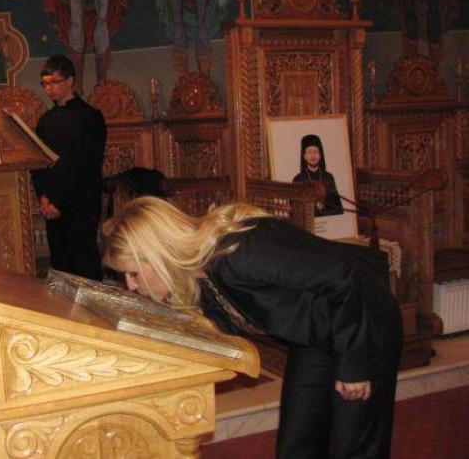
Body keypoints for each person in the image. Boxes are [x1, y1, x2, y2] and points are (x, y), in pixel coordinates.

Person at [102, 196, 403, 458]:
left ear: (159, 256)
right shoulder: (199, 276)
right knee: (297, 446)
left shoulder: (240, 253)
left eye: (133, 274)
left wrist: (355, 365)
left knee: (355, 444)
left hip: (362, 319)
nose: (131, 286)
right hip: (315, 335)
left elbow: (346, 277)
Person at [31, 54, 107, 281]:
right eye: (45, 83)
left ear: (70, 81)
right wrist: (43, 197)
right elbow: (39, 162)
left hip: (80, 203)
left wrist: (60, 202)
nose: (49, 88)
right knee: (60, 266)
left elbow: (86, 165)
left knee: (83, 265)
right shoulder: (45, 121)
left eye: (54, 82)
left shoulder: (90, 117)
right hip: (52, 204)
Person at [292, 134, 344, 217]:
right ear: (304, 156)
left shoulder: (328, 177)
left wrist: (323, 208)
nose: (313, 156)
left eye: (315, 152)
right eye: (309, 152)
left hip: (327, 221)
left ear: (320, 155)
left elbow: (338, 208)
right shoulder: (298, 180)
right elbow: (294, 209)